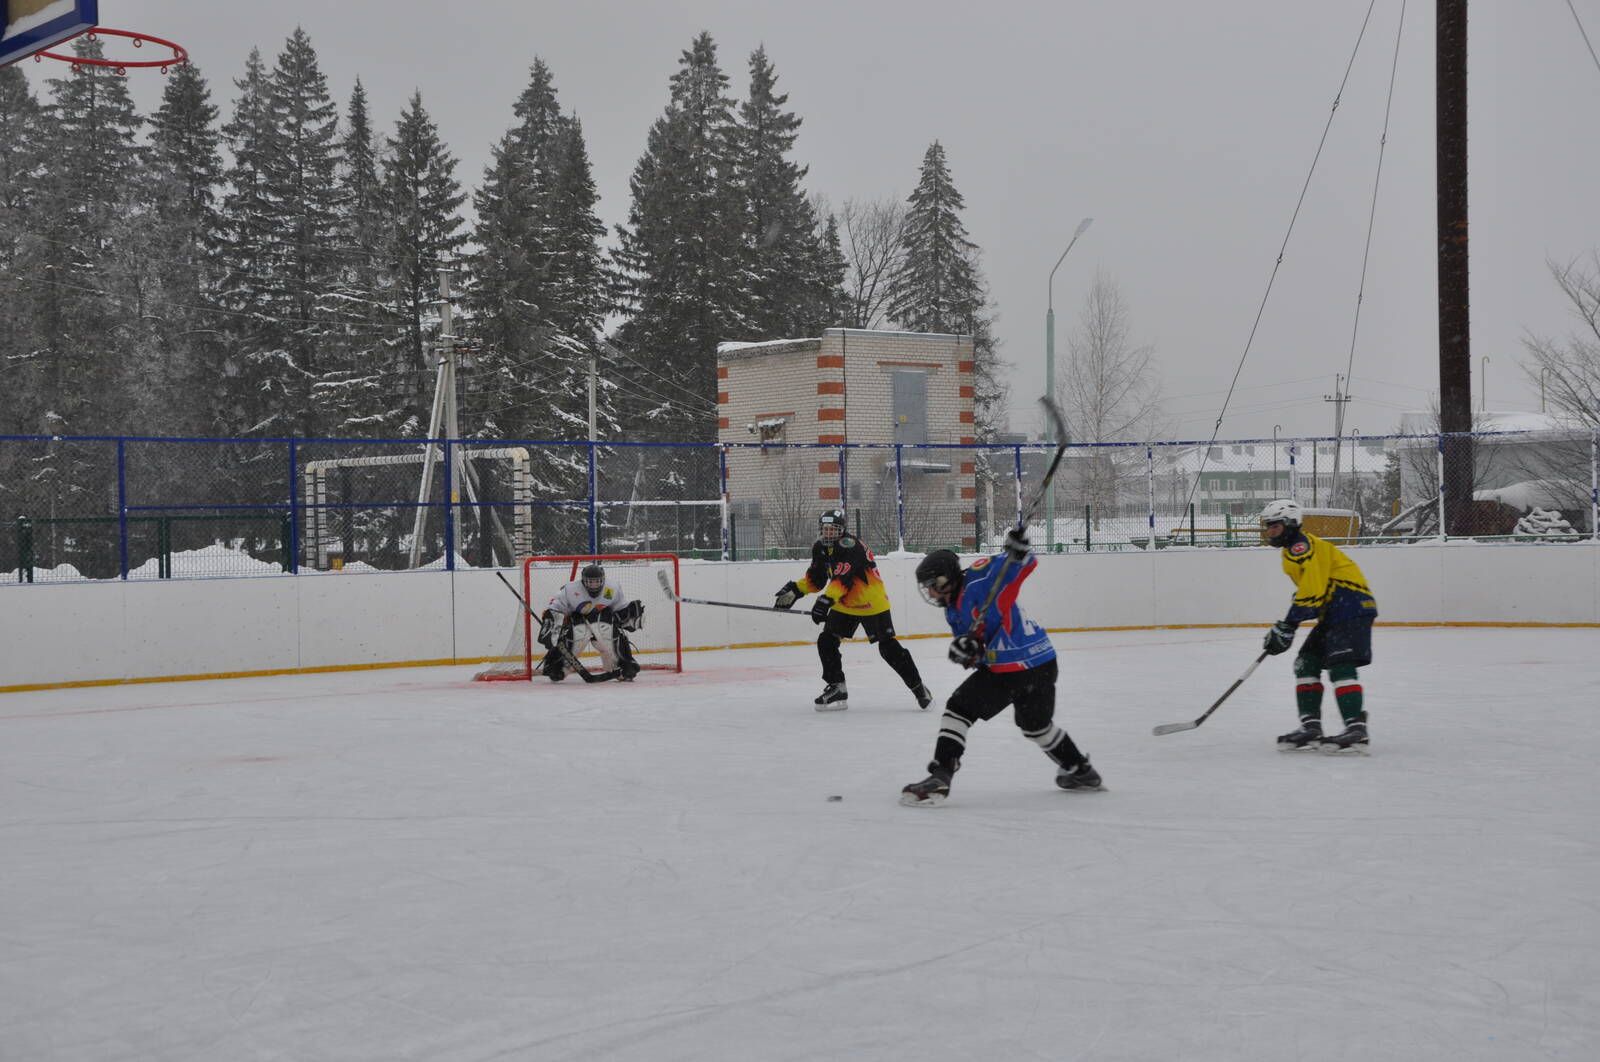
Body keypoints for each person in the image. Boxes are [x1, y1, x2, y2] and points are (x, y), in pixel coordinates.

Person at [900, 530, 1103, 806]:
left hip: (1013, 666)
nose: (930, 592)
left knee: (958, 710)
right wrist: (968, 651)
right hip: (1042, 660)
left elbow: (1021, 563)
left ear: (945, 579)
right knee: (1036, 726)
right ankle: (1081, 770)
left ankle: (941, 774)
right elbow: (977, 649)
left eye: (932, 585)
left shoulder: (981, 577)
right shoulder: (953, 610)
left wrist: (1018, 551)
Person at [774, 509, 932, 712]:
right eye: (826, 529)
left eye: (834, 529)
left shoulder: (851, 546)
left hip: (871, 602)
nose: (829, 533)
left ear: (842, 530)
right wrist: (795, 590)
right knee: (827, 641)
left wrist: (825, 601)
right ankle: (837, 687)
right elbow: (817, 579)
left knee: (889, 649)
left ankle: (919, 688)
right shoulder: (820, 547)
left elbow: (843, 580)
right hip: (844, 604)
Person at [1259, 499, 1377, 753]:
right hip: (1334, 611)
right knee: (1307, 662)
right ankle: (1310, 726)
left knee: (1340, 663)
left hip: (1351, 606)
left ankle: (1356, 728)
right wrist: (1288, 623)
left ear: (1290, 524)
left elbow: (1313, 590)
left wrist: (1288, 624)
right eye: (1267, 527)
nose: (1269, 531)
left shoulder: (1303, 547)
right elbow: (1310, 595)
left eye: (1274, 526)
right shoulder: (1291, 551)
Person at [537, 563, 644, 682]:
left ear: (603, 580)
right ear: (583, 580)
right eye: (590, 582)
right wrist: (551, 620)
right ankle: (559, 666)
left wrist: (630, 614)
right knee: (579, 631)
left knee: (606, 628)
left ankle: (621, 665)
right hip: (577, 622)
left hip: (604, 622)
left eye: (597, 581)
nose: (593, 585)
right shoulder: (570, 589)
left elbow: (620, 608)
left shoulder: (612, 588)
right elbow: (556, 607)